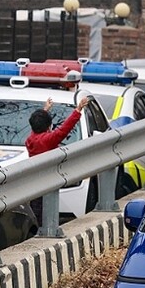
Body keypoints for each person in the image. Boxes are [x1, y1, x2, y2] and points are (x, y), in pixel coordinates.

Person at [25, 96, 89, 224]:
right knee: (45, 210)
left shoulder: (30, 140)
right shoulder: (47, 140)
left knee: (36, 208)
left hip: (35, 180)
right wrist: (78, 109)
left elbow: (38, 127)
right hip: (48, 179)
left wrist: (45, 110)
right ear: (49, 126)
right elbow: (64, 129)